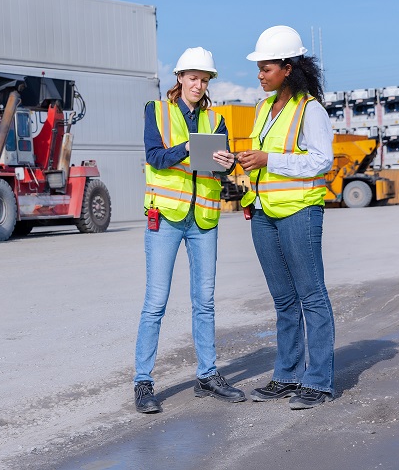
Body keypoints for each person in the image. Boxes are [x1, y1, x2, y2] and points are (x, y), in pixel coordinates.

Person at [133, 47, 244, 414]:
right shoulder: (157, 111)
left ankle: (207, 376)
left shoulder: (216, 120)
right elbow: (155, 156)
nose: (198, 85)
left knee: (205, 301)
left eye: (204, 80)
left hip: (204, 219)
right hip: (166, 216)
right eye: (193, 78)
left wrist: (227, 163)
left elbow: (221, 169)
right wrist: (188, 147)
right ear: (179, 78)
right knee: (155, 302)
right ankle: (143, 382)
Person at [232, 25, 336, 410]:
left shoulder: (310, 110)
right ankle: (288, 375)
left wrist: (269, 160)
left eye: (266, 69)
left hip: (299, 212)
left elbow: (321, 161)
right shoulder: (262, 109)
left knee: (311, 295)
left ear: (288, 68)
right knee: (283, 299)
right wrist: (244, 165)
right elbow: (263, 156)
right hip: (263, 211)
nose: (260, 76)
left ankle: (318, 381)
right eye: (258, 69)